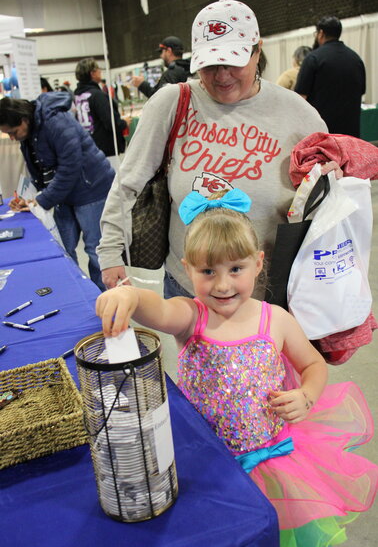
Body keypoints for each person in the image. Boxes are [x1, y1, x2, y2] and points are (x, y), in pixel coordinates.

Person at [96, 188, 378, 547]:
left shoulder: (275, 320)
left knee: (275, 533)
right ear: (188, 268)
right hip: (208, 463)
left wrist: (307, 395)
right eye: (208, 271)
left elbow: (313, 364)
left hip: (276, 461)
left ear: (258, 263)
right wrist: (131, 296)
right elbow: (161, 311)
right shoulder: (192, 317)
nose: (223, 284)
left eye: (236, 268)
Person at [97, 0, 329, 294]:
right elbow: (127, 183)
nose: (222, 76)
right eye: (210, 65)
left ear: (257, 51)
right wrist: (110, 253)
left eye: (233, 62)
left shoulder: (299, 115)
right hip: (188, 289)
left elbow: (325, 205)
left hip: (268, 295)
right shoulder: (173, 102)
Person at [0, 93, 115, 291]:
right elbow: (40, 169)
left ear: (24, 119)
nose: (11, 138)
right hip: (65, 194)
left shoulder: (56, 122)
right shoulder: (28, 133)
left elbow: (70, 166)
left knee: (95, 250)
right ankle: (76, 293)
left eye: (13, 132)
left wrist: (42, 200)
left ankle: (105, 300)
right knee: (63, 248)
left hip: (91, 189)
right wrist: (29, 199)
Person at [295, 16, 366, 137]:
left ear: (320, 33)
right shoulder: (356, 59)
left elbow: (300, 98)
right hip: (350, 136)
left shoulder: (313, 58)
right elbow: (361, 91)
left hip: (323, 136)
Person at [74, 58, 130, 158]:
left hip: (89, 147)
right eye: (98, 69)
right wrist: (124, 123)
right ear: (92, 73)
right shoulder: (97, 95)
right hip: (105, 150)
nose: (100, 71)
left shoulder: (78, 96)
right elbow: (111, 123)